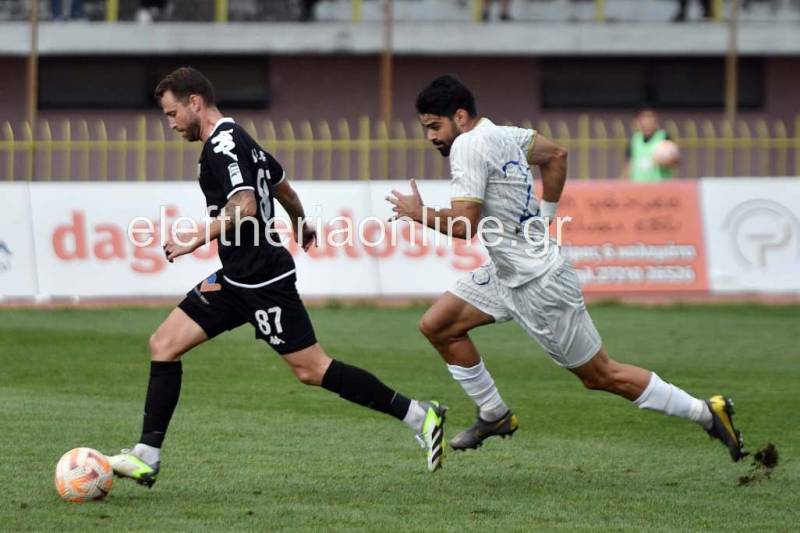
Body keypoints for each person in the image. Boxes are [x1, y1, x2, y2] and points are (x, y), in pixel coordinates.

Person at [108, 67, 447, 486]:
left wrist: (196, 237)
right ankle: (147, 454)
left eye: (172, 112)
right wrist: (301, 222)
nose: (171, 123)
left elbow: (245, 205)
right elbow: (283, 187)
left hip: (264, 282)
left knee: (312, 369)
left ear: (195, 102)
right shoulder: (240, 139)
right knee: (164, 343)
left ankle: (419, 414)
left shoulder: (223, 145)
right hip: (235, 278)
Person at [386, 75, 746, 462]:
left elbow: (463, 226)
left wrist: (417, 213)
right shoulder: (505, 134)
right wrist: (545, 219)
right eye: (426, 128)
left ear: (459, 116)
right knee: (439, 325)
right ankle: (494, 415)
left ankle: (706, 413)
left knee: (601, 375)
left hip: (537, 284)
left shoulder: (467, 147)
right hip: (509, 272)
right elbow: (556, 155)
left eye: (434, 126)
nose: (430, 137)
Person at [623, 108, 677, 182]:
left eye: (650, 118)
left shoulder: (664, 137)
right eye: (644, 119)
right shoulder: (635, 139)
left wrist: (665, 161)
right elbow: (629, 164)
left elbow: (675, 161)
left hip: (659, 187)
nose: (647, 122)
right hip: (638, 186)